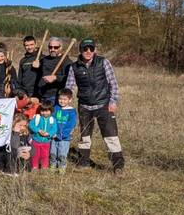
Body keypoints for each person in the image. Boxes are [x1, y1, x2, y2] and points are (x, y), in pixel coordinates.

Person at [65, 38, 125, 172]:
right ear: (80, 50)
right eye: (85, 48)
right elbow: (69, 86)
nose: (88, 51)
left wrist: (113, 101)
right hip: (85, 106)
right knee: (84, 137)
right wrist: (65, 99)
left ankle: (118, 165)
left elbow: (113, 83)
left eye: (91, 48)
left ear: (95, 50)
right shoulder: (74, 67)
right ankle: (83, 162)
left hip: (104, 104)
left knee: (111, 136)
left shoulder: (103, 62)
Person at [34, 37, 72, 105]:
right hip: (42, 94)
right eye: (50, 47)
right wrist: (36, 67)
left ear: (61, 47)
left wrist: (55, 78)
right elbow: (39, 75)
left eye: (56, 47)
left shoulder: (66, 61)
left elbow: (68, 78)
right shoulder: (44, 59)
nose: (52, 49)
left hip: (55, 96)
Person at [51, 88, 77, 173]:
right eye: (60, 99)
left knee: (62, 154)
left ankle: (62, 167)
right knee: (53, 153)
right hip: (54, 136)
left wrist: (60, 134)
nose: (62, 101)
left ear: (70, 100)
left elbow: (70, 125)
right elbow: (52, 121)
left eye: (65, 99)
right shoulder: (56, 108)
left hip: (64, 138)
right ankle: (53, 166)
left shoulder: (71, 112)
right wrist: (52, 132)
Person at [28, 101, 57, 171]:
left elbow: (54, 129)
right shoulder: (37, 117)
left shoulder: (52, 119)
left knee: (45, 155)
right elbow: (31, 125)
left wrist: (49, 134)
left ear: (51, 111)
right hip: (36, 140)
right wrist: (38, 130)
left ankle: (44, 167)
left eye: (47, 111)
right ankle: (34, 166)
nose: (44, 113)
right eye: (43, 111)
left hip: (46, 141)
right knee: (35, 155)